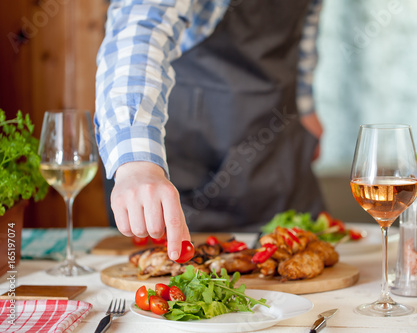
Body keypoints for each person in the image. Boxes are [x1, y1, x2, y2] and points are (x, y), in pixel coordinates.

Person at [95, 0, 325, 261]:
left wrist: (306, 106)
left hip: (281, 140)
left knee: (305, 262)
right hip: (197, 150)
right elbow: (140, 26)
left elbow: (306, 24)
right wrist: (138, 163)